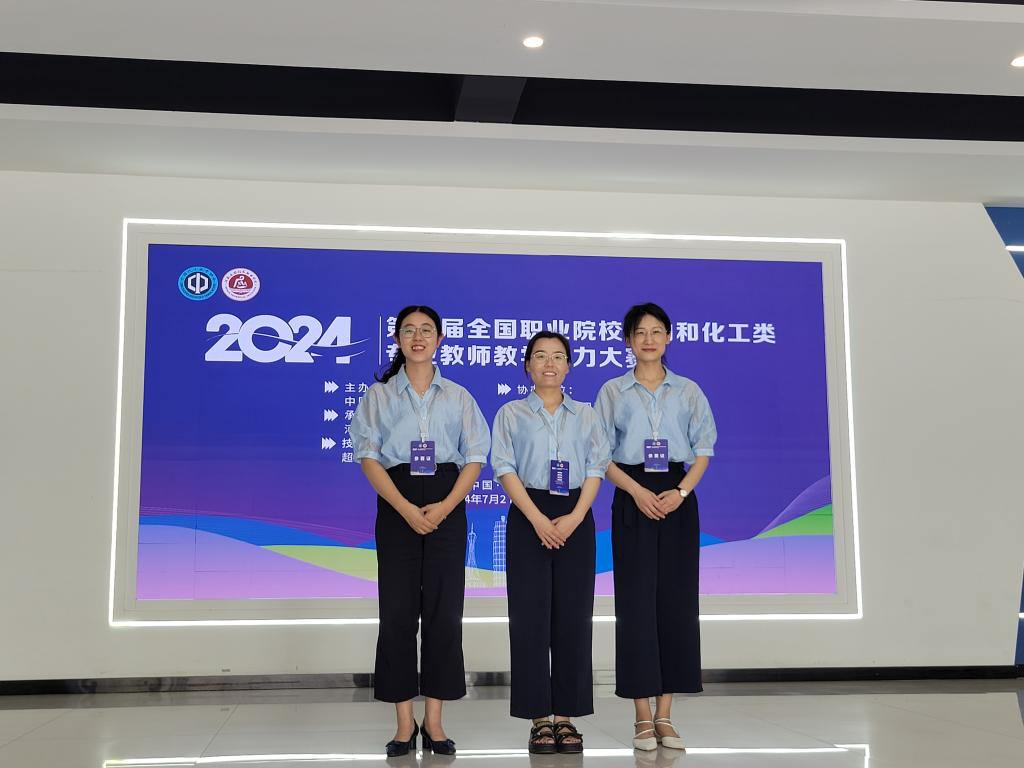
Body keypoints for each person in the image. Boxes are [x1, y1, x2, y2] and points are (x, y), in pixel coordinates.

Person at [349, 305, 490, 757]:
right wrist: (406, 509)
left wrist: (446, 506)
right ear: (397, 339)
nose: (418, 337)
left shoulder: (459, 396)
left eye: (427, 330)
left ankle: (435, 721)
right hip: (397, 503)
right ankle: (403, 724)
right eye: (409, 330)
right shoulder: (379, 396)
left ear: (440, 339)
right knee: (397, 614)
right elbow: (368, 456)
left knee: (444, 613)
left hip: (448, 501)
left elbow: (475, 457)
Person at [594, 303, 717, 752]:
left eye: (656, 331)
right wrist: (637, 492)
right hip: (632, 496)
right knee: (636, 606)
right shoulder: (613, 391)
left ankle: (666, 713)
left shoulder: (688, 391)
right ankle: (641, 716)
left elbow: (704, 448)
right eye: (640, 332)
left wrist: (680, 492)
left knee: (677, 604)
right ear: (628, 340)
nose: (648, 339)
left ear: (669, 337)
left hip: (677, 497)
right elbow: (599, 454)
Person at [491, 331, 611, 754]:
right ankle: (538, 717)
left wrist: (576, 516)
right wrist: (537, 519)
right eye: (540, 356)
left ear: (568, 366)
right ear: (527, 365)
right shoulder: (510, 413)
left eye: (558, 357)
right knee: (529, 618)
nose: (549, 364)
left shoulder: (587, 415)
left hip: (576, 512)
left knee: (574, 617)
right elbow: (504, 466)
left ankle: (567, 716)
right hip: (529, 512)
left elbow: (597, 466)